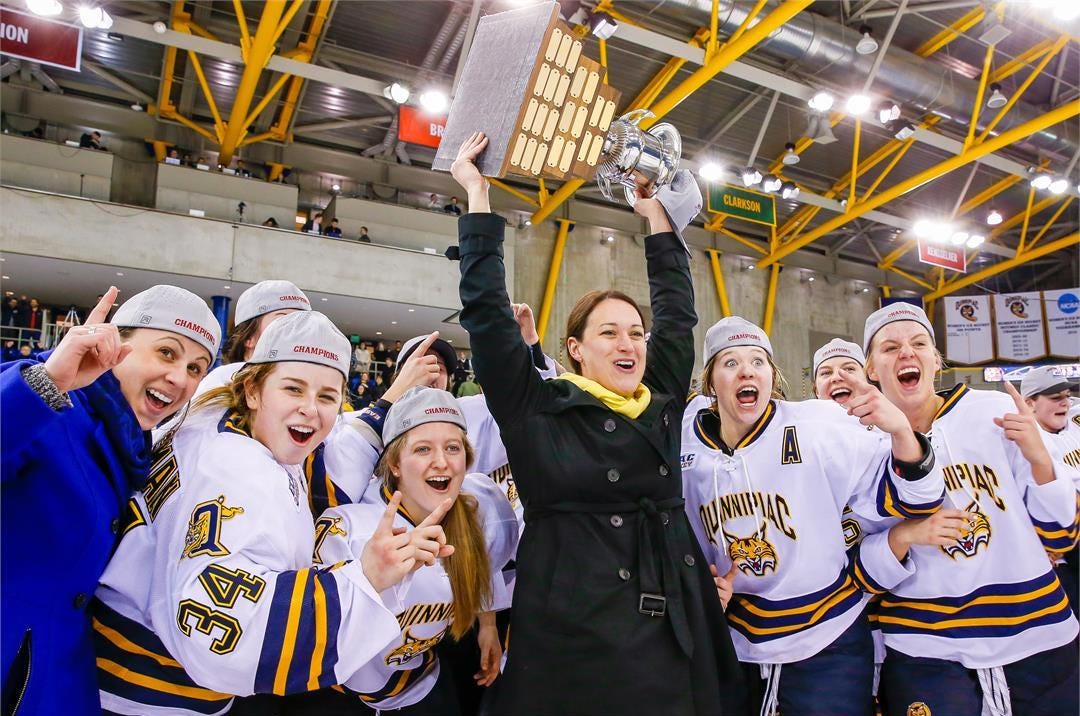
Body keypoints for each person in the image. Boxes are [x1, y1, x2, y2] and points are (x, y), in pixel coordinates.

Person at [449, 131, 747, 715]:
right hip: (572, 623)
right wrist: (477, 198)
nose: (628, 342)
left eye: (635, 332)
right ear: (576, 349)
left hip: (670, 610)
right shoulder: (535, 406)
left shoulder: (659, 397)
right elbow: (486, 317)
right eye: (608, 332)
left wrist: (656, 214)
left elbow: (677, 313)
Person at [94, 311, 452, 714]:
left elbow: (319, 471)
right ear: (252, 390)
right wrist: (364, 579)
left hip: (110, 662)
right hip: (151, 690)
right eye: (294, 390)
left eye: (327, 397)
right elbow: (237, 634)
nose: (310, 410)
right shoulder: (245, 475)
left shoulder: (213, 403)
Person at [682, 318, 943, 716]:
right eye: (730, 362)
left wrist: (901, 432)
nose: (747, 370)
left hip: (827, 637)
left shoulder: (817, 424)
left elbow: (916, 498)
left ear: (773, 374)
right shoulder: (686, 440)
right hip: (731, 637)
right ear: (710, 381)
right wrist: (696, 587)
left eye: (758, 361)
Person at [1, 285, 219, 715]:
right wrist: (46, 384)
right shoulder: (45, 398)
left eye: (197, 368)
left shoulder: (135, 447)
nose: (180, 378)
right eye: (167, 353)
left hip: (57, 679)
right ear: (114, 343)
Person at [852, 304, 1079, 716]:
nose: (906, 353)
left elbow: (1062, 537)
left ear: (936, 359)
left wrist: (1040, 459)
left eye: (919, 343)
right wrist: (904, 536)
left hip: (1033, 635)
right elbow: (861, 574)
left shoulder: (993, 413)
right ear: (870, 368)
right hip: (926, 647)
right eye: (889, 347)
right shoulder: (856, 443)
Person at [316, 387, 518, 714]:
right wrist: (370, 578)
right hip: (343, 694)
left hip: (424, 681)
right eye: (423, 449)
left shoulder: (484, 509)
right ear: (395, 464)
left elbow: (485, 566)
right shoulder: (351, 528)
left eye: (452, 448)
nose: (441, 462)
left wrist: (489, 626)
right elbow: (315, 628)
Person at [1020, 365, 1080, 614]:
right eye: (1055, 398)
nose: (1064, 403)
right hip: (1061, 554)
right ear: (1029, 403)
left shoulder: (1075, 424)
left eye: (1066, 395)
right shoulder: (1018, 443)